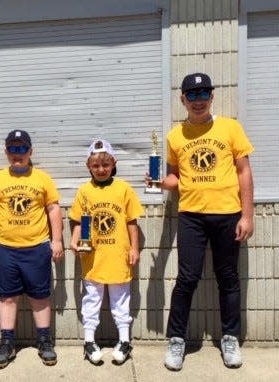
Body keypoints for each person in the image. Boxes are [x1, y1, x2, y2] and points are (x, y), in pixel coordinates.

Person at [145, 73, 254, 371]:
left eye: (203, 93)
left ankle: (229, 337)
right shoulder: (174, 137)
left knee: (228, 278)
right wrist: (158, 182)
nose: (198, 100)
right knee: (187, 279)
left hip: (228, 214)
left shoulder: (230, 128)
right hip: (191, 215)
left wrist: (247, 214)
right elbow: (175, 178)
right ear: (182, 99)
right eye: (191, 95)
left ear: (212, 96)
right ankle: (176, 340)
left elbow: (244, 171)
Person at [0, 129, 64, 369]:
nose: (17, 154)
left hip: (37, 247)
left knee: (39, 296)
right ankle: (7, 343)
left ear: (30, 151)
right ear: (6, 152)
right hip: (7, 248)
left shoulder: (42, 178)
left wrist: (57, 240)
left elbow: (53, 209)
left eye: (21, 149)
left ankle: (44, 340)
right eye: (12, 149)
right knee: (8, 297)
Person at [69, 139, 144, 365]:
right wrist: (74, 240)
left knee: (121, 300)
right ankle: (89, 341)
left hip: (118, 256)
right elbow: (77, 221)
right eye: (95, 165)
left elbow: (132, 221)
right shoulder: (84, 191)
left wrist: (134, 247)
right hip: (93, 257)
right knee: (91, 299)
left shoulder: (124, 189)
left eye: (105, 164)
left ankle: (124, 340)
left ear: (114, 163)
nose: (101, 169)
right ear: (88, 166)